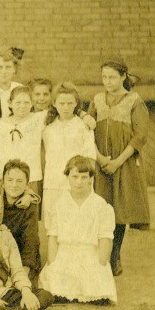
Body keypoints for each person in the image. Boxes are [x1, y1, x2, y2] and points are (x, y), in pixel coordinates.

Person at [88, 59, 150, 276]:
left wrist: (116, 162)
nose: (107, 82)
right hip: (100, 164)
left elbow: (139, 137)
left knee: (118, 211)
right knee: (100, 208)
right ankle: (98, 258)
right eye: (104, 77)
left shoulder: (134, 101)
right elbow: (87, 131)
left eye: (112, 77)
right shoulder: (96, 100)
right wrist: (100, 158)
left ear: (123, 76)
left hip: (123, 164)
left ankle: (115, 256)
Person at [39, 156, 117, 304]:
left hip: (90, 255)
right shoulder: (59, 204)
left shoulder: (100, 206)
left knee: (96, 289)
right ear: (67, 177)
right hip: (65, 254)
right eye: (74, 177)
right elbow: (53, 238)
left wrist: (101, 267)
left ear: (91, 179)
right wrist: (52, 265)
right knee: (54, 287)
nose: (79, 182)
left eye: (84, 177)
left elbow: (105, 240)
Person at [42, 82, 97, 232]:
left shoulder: (83, 126)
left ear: (76, 104)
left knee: (78, 226)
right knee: (53, 227)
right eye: (61, 103)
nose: (65, 107)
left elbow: (90, 158)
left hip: (76, 183)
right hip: (53, 183)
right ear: (54, 103)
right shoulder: (48, 127)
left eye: (70, 103)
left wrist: (86, 183)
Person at [0, 86, 46, 194]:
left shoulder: (39, 119)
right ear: (10, 103)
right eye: (18, 102)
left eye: (26, 102)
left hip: (31, 178)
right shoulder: (1, 125)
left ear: (32, 103)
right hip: (7, 179)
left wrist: (84, 115)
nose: (22, 106)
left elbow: (62, 108)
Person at [1, 159, 41, 284]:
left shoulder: (29, 205)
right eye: (10, 180)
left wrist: (23, 273)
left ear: (27, 185)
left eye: (19, 181)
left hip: (22, 259)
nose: (14, 185)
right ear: (2, 183)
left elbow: (30, 240)